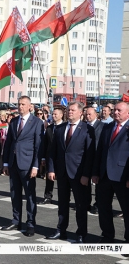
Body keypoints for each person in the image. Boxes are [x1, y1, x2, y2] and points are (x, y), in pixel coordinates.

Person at [46, 102, 95, 243]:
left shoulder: (87, 129)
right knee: (62, 204)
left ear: (81, 113)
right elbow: (52, 151)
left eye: (72, 110)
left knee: (80, 205)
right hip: (61, 173)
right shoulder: (60, 128)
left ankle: (81, 233)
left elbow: (89, 154)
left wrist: (86, 175)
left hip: (79, 174)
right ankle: (61, 230)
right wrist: (51, 169)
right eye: (68, 110)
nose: (69, 112)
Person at [1, 96, 44, 237]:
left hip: (27, 164)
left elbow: (38, 146)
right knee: (15, 194)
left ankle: (31, 223)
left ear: (30, 106)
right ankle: (16, 220)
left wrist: (35, 166)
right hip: (13, 163)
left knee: (30, 195)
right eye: (19, 104)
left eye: (23, 104)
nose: (20, 107)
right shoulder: (13, 121)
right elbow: (8, 144)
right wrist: (6, 163)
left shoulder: (37, 122)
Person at [92, 102, 129, 244]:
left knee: (126, 210)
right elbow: (99, 151)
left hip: (122, 176)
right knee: (103, 208)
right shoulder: (107, 127)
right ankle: (107, 236)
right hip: (104, 175)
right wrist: (95, 172)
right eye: (115, 110)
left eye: (119, 110)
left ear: (127, 113)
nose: (116, 112)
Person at [39, 107, 64, 205]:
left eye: (55, 114)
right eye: (52, 114)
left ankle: (63, 198)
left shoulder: (65, 126)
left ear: (61, 115)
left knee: (62, 179)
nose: (53, 116)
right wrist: (43, 157)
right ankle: (47, 196)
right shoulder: (49, 128)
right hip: (50, 157)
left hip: (61, 157)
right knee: (49, 177)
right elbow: (45, 144)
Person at [85, 107, 104, 214]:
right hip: (86, 158)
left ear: (96, 115)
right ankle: (87, 203)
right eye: (86, 114)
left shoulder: (102, 126)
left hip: (97, 157)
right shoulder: (84, 126)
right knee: (86, 182)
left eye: (90, 114)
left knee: (97, 183)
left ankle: (97, 204)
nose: (88, 116)